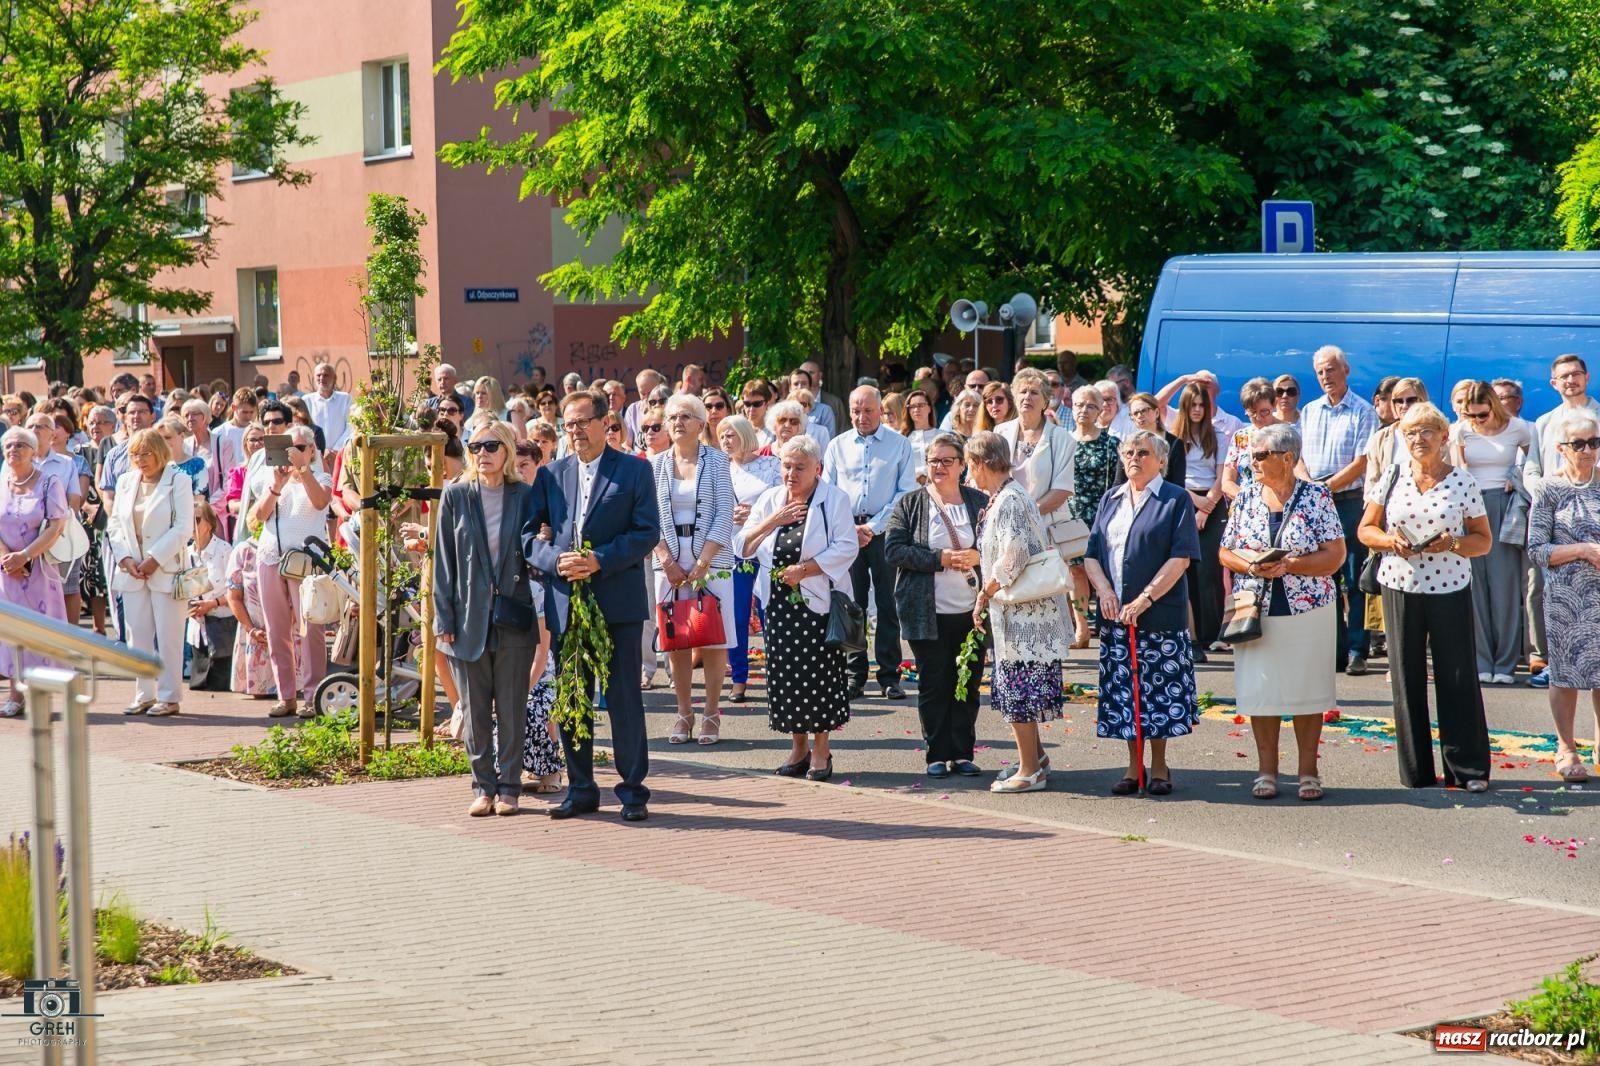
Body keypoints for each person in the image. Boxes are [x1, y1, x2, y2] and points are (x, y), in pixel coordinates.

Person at [523, 388, 659, 822]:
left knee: (622, 701)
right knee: (573, 700)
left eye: (583, 421)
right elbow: (527, 537)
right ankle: (581, 788)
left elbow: (646, 532)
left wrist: (599, 560)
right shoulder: (552, 474)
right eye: (569, 424)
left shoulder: (634, 472)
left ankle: (633, 791)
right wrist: (555, 562)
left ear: (606, 422)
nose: (576, 431)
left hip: (616, 601)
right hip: (567, 602)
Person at [1357, 402, 1493, 790]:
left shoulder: (1463, 481)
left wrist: (1452, 543)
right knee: (1406, 677)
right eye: (1411, 432)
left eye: (1427, 431)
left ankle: (1467, 770)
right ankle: (1416, 771)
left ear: (1444, 437)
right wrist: (1390, 541)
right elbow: (1366, 530)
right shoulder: (1393, 476)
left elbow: (1483, 542)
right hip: (1399, 584)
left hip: (1450, 586)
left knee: (1457, 676)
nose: (1418, 439)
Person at [1219, 424, 1346, 801]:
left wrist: (1290, 564)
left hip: (1308, 607)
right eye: (1250, 455)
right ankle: (1267, 771)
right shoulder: (1245, 498)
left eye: (1259, 456)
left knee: (1308, 691)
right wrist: (1252, 567)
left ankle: (1308, 771)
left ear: (1287, 458)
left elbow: (1335, 555)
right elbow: (1226, 552)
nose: (1250, 462)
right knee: (1262, 691)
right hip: (1254, 607)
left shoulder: (1317, 496)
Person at [1083, 430, 1201, 796]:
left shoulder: (1174, 498)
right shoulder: (1111, 498)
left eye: (1143, 452)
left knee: (1159, 692)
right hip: (1116, 614)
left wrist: (1145, 599)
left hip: (1158, 612)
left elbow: (1181, 558)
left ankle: (1160, 765)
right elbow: (1091, 554)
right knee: (1125, 693)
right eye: (1129, 452)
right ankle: (1134, 766)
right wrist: (1103, 590)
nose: (1134, 458)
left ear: (1161, 460)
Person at [734, 435, 858, 781]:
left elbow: (847, 547)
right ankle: (798, 747)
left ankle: (821, 749)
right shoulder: (771, 499)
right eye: (786, 466)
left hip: (815, 602)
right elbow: (742, 546)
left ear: (816, 469)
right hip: (778, 606)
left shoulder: (833, 500)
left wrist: (804, 569)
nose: (791, 473)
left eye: (799, 467)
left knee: (819, 675)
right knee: (786, 677)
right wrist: (772, 521)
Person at [434, 420, 538, 817]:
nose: (483, 453)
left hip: (514, 615)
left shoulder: (525, 496)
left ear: (508, 449)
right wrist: (443, 615)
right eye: (475, 446)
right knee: (475, 710)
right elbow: (443, 561)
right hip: (466, 619)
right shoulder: (456, 496)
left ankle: (510, 788)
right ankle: (482, 787)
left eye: (492, 445)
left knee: (511, 706)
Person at [964, 431, 1071, 793]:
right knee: (1016, 687)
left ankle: (1029, 770)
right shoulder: (1005, 496)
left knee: (1019, 690)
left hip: (1024, 616)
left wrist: (985, 591)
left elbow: (1014, 555)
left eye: (970, 465)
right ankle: (1035, 757)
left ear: (981, 463)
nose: (968, 474)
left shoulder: (1009, 499)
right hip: (1018, 614)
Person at [886, 433, 987, 777]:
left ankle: (962, 752)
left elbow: (1002, 548)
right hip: (925, 611)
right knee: (934, 682)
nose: (939, 467)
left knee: (968, 681)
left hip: (973, 612)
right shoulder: (910, 503)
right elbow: (893, 550)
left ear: (962, 465)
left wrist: (979, 556)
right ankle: (936, 754)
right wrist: (939, 558)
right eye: (933, 461)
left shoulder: (980, 502)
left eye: (947, 461)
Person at [650, 394, 737, 745]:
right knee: (676, 640)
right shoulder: (654, 464)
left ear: (702, 424)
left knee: (713, 636)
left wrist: (702, 562)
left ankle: (711, 714)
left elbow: (724, 512)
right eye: (672, 417)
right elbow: (647, 517)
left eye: (686, 416)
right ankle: (683, 713)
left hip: (711, 560)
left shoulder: (717, 461)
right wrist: (668, 561)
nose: (677, 422)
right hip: (668, 561)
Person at [823, 386, 918, 700]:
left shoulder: (899, 445)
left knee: (888, 605)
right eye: (855, 410)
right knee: (852, 605)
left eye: (867, 411)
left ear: (880, 410)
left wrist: (872, 527)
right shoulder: (837, 445)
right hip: (847, 531)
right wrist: (849, 528)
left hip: (886, 532)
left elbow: (904, 493)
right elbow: (829, 490)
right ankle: (855, 674)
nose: (861, 417)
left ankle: (890, 676)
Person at [1526, 409, 1600, 781]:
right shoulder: (1549, 490)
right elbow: (1536, 549)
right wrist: (1584, 550)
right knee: (1567, 676)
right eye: (1580, 444)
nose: (1588, 450)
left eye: (1594, 442)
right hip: (1566, 598)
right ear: (1561, 448)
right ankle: (1566, 747)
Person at [1300, 344, 1380, 675]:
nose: (1325, 376)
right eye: (1320, 371)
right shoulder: (1309, 411)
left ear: (1345, 370)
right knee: (1323, 577)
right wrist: (1309, 486)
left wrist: (1326, 487)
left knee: (1353, 575)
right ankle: (1331, 649)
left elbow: (1362, 462)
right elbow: (1299, 457)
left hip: (1347, 501)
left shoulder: (1363, 411)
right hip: (1316, 501)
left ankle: (1357, 649)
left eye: (1330, 369)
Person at [1523, 354, 1600, 687]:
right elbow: (1532, 466)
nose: (1571, 380)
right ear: (1553, 383)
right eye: (1563, 376)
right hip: (1555, 516)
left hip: (1592, 508)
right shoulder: (1544, 422)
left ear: (1587, 377)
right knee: (1542, 592)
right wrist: (1544, 492)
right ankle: (1553, 661)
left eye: (1576, 374)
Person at [1449, 381, 1533, 684]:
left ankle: (1506, 664)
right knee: (1475, 588)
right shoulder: (1462, 430)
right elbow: (1457, 469)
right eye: (1470, 415)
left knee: (1505, 588)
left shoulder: (1519, 428)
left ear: (1493, 406)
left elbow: (1535, 461)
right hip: (1470, 507)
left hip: (1504, 504)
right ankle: (1482, 659)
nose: (1475, 421)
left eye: (1481, 415)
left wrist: (1518, 474)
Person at [249, 423, 333, 718]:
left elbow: (321, 501)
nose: (293, 454)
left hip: (305, 561)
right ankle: (286, 696)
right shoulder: (273, 479)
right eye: (288, 449)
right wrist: (276, 486)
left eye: (299, 448)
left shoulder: (320, 475)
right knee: (276, 629)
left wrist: (303, 471)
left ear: (311, 450)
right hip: (271, 557)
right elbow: (259, 516)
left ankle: (312, 696)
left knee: (310, 629)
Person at [109, 428, 193, 718]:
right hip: (132, 571)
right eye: (135, 454)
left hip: (166, 569)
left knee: (169, 636)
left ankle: (170, 697)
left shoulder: (178, 480)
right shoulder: (125, 482)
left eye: (146, 453)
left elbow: (183, 527)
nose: (141, 460)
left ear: (160, 452)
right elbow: (115, 525)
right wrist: (125, 558)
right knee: (137, 637)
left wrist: (154, 559)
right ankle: (144, 694)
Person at [0, 428, 68, 718]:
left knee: (39, 632)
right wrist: (7, 558)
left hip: (39, 569)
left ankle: (40, 695)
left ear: (32, 450)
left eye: (20, 445)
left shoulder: (49, 481)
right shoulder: (1, 482)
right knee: (12, 632)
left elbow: (56, 525)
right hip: (6, 572)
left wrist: (25, 556)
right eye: (9, 445)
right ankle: (16, 695)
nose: (13, 449)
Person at [719, 414, 780, 704]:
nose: (725, 440)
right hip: (733, 547)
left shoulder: (770, 464)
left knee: (770, 612)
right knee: (737, 614)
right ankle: (739, 679)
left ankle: (778, 675)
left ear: (745, 434)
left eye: (730, 434)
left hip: (767, 546)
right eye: (721, 436)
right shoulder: (719, 469)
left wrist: (755, 513)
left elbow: (785, 501)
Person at [994, 367, 1076, 560]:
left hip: (1046, 528)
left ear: (1045, 401)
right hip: (1004, 528)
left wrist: (1023, 516)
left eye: (1034, 392)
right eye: (1023, 392)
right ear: (1014, 397)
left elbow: (1062, 491)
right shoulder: (1000, 432)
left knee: (1045, 588)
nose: (1027, 397)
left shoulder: (1061, 438)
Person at [1173, 381, 1227, 656]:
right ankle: (1191, 635)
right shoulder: (1175, 438)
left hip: (1212, 502)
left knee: (1210, 571)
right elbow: (1173, 477)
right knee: (1187, 569)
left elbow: (1222, 475)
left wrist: (1206, 508)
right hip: (1184, 499)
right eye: (1192, 404)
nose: (1197, 410)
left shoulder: (1218, 435)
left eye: (1201, 405)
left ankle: (1212, 633)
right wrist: (1195, 503)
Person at [1066, 385, 1120, 647]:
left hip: (1102, 515)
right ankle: (1081, 627)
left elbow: (1118, 485)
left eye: (1090, 405)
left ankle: (1108, 624)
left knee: (1105, 573)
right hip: (1071, 516)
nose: (1083, 410)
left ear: (1100, 410)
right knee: (1075, 572)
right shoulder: (1064, 442)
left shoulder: (1111, 444)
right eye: (1079, 404)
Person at [185, 500, 236, 692]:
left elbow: (238, 592)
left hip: (222, 630)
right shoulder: (186, 554)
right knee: (199, 687)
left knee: (220, 688)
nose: (192, 525)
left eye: (196, 520)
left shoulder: (224, 551)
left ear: (209, 523)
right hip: (198, 632)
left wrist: (212, 603)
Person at [224, 528, 275, 698]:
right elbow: (233, 596)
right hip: (253, 631)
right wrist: (251, 629)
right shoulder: (243, 551)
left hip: (287, 633)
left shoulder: (286, 547)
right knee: (260, 695)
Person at [1125, 392, 1186, 486]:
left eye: (1144, 410)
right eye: (1135, 413)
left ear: (1157, 412)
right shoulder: (1128, 444)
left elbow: (1178, 483)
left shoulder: (1175, 443)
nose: (1140, 415)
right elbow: (1120, 481)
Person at [305, 363, 355, 459]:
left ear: (334, 378)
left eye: (326, 375)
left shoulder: (345, 399)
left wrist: (336, 449)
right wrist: (320, 450)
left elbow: (351, 426)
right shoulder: (306, 400)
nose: (322, 378)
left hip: (340, 454)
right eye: (318, 375)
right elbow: (304, 428)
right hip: (314, 456)